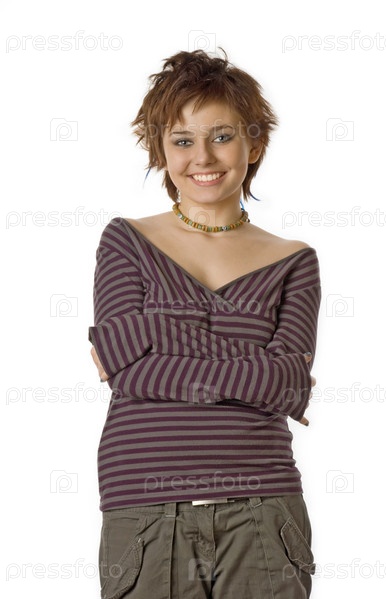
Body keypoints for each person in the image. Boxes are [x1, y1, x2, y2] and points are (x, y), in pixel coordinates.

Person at [88, 49, 321, 599]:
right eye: (182, 140)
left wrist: (154, 333)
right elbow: (129, 373)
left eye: (222, 136)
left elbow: (288, 386)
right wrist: (257, 370)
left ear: (253, 144)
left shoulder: (294, 259)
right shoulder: (127, 241)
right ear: (161, 149)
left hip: (264, 507)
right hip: (145, 510)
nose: (202, 157)